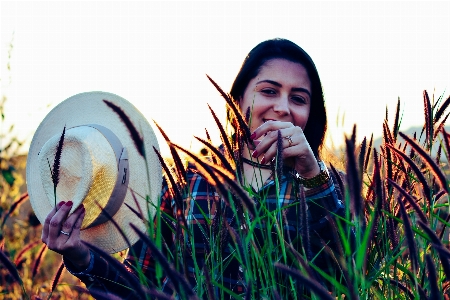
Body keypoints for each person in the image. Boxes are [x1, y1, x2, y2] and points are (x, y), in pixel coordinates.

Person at [41, 38, 346, 298]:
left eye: (298, 98)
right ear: (238, 98)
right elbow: (140, 288)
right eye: (268, 91)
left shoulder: (326, 187)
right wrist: (82, 257)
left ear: (310, 112)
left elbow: (348, 275)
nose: (282, 107)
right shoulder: (187, 183)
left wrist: (311, 174)